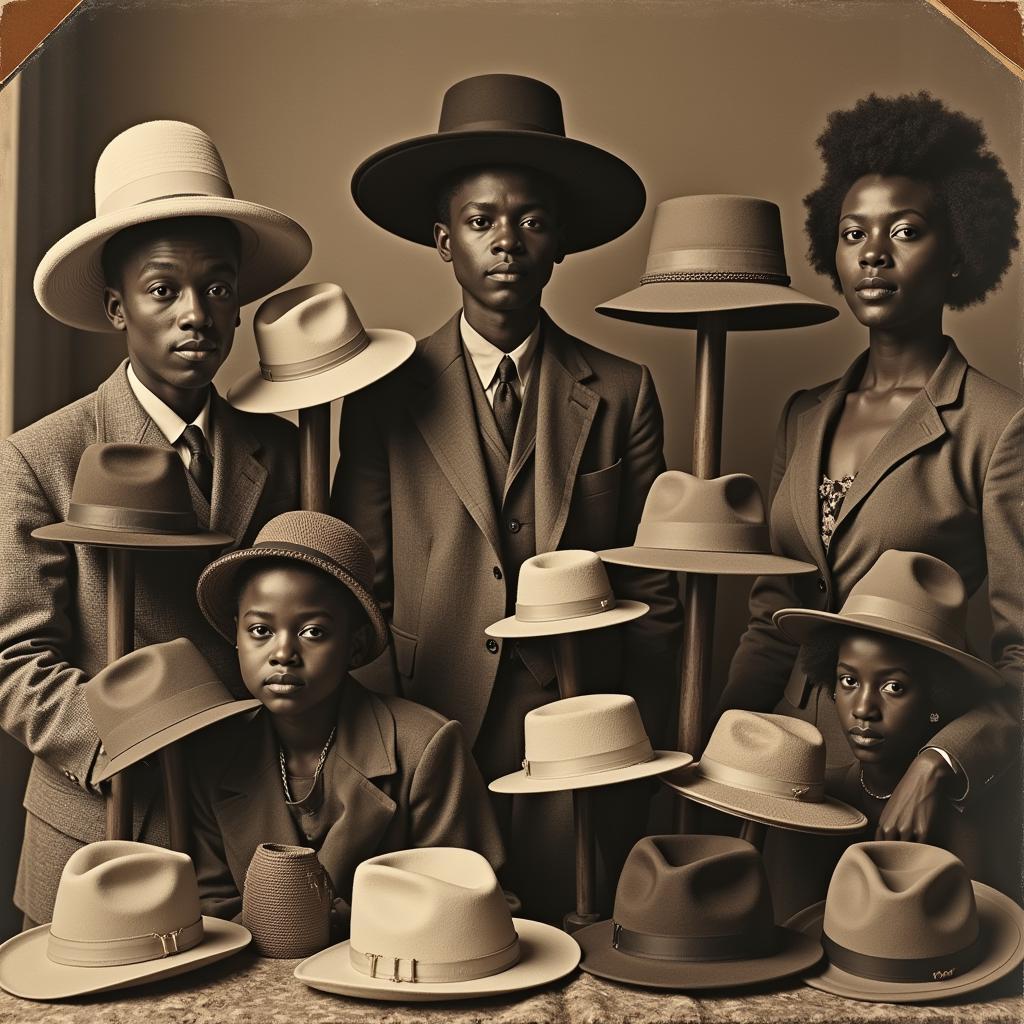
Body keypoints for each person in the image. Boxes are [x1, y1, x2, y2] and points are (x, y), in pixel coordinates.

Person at [332, 74, 682, 920]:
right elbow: (358, 587)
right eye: (480, 221)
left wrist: (636, 737)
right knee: (453, 947)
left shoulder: (625, 390)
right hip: (431, 734)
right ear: (443, 241)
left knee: (580, 945)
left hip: (583, 736)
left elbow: (655, 590)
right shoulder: (384, 393)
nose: (506, 242)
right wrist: (391, 738)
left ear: (558, 241)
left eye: (530, 221)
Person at [0, 120, 309, 926]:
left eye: (216, 287)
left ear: (240, 302)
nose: (194, 314)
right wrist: (127, 744)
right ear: (116, 306)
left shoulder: (281, 451)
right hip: (99, 830)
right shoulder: (41, 458)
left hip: (249, 828)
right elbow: (16, 661)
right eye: (163, 289)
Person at [718, 92, 1022, 848]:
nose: (874, 254)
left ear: (956, 252)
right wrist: (712, 750)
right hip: (781, 776)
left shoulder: (998, 425)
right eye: (854, 233)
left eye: (906, 232)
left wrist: (945, 757)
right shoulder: (805, 414)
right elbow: (773, 616)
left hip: (910, 787)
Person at [190, 512, 505, 934]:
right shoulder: (214, 755)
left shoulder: (424, 746)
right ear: (236, 637)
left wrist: (332, 921)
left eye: (313, 632)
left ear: (355, 646)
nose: (283, 653)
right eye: (261, 630)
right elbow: (213, 914)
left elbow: (477, 904)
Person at [776, 550, 1020, 901]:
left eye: (894, 687)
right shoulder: (817, 799)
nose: (863, 709)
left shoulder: (968, 821)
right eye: (848, 681)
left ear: (937, 696)